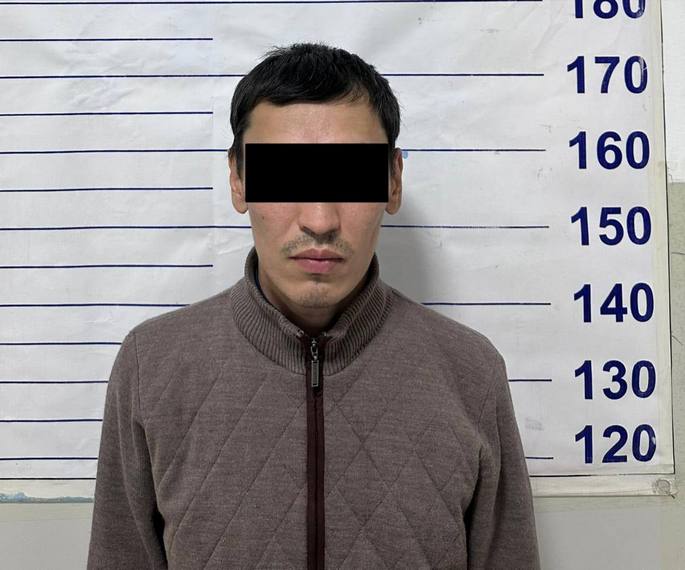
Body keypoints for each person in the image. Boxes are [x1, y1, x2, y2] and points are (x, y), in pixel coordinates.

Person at [87, 41, 541, 569]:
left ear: (393, 181)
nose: (320, 220)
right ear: (238, 179)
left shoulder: (471, 372)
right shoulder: (151, 365)